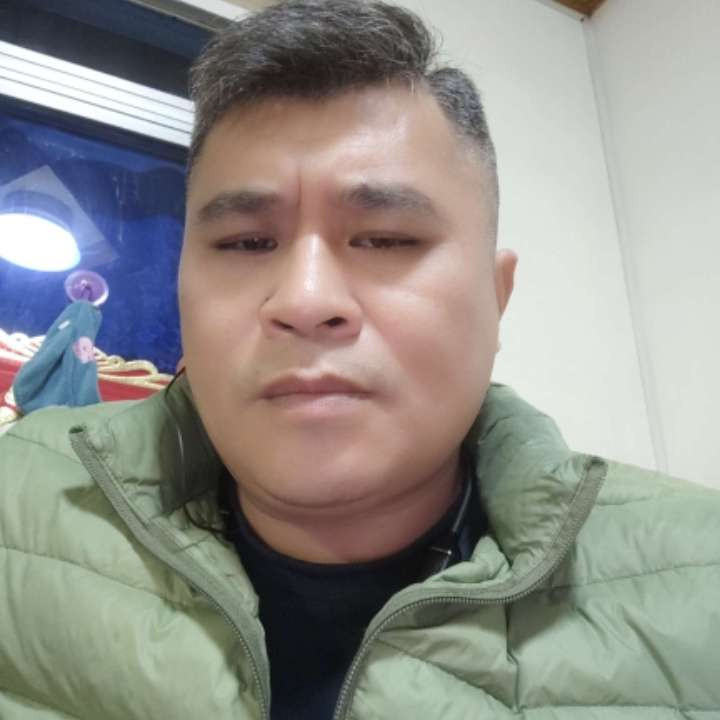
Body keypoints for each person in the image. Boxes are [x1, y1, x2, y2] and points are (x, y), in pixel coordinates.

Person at [1, 1, 718, 718]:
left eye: (385, 240)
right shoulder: (18, 501)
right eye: (247, 243)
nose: (305, 300)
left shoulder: (701, 585)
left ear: (497, 298)